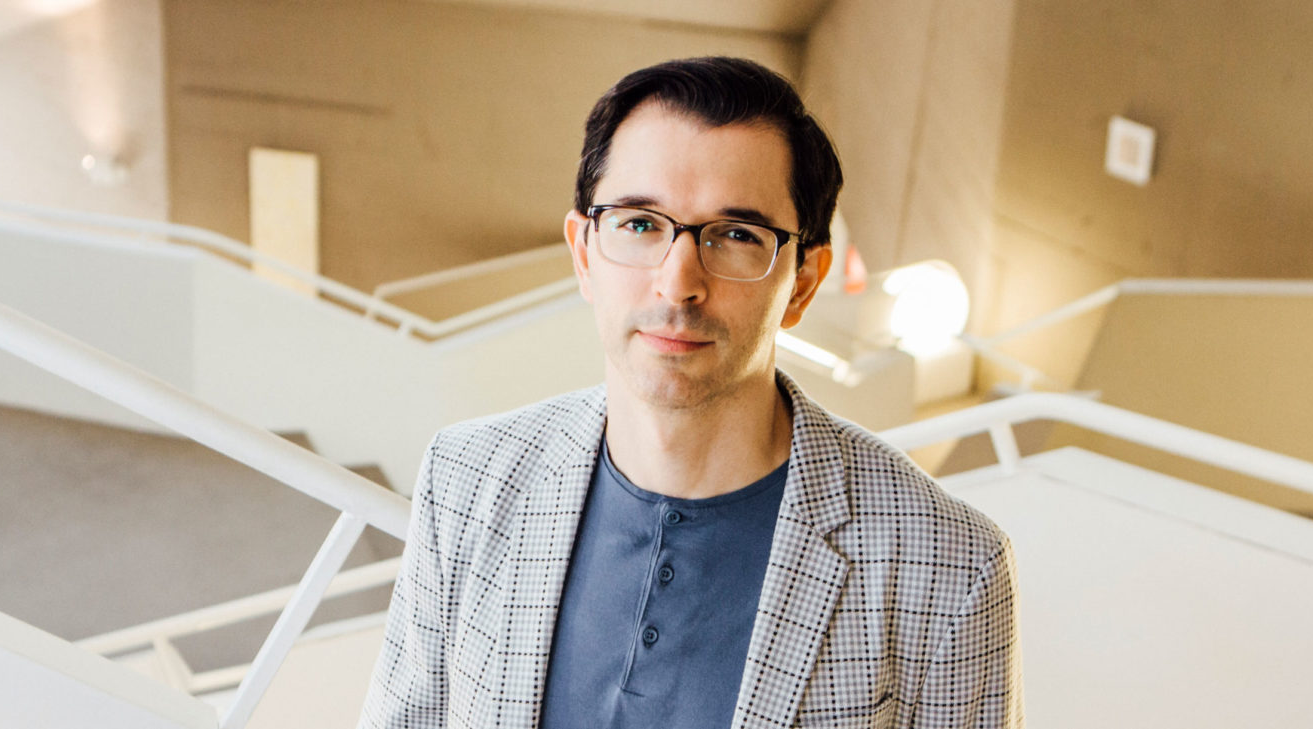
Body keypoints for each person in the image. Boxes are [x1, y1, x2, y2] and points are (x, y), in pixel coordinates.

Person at [359, 57, 1021, 729]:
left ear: (802, 283)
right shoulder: (463, 478)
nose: (678, 283)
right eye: (641, 223)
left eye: (736, 235)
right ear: (584, 252)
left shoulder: (952, 565)